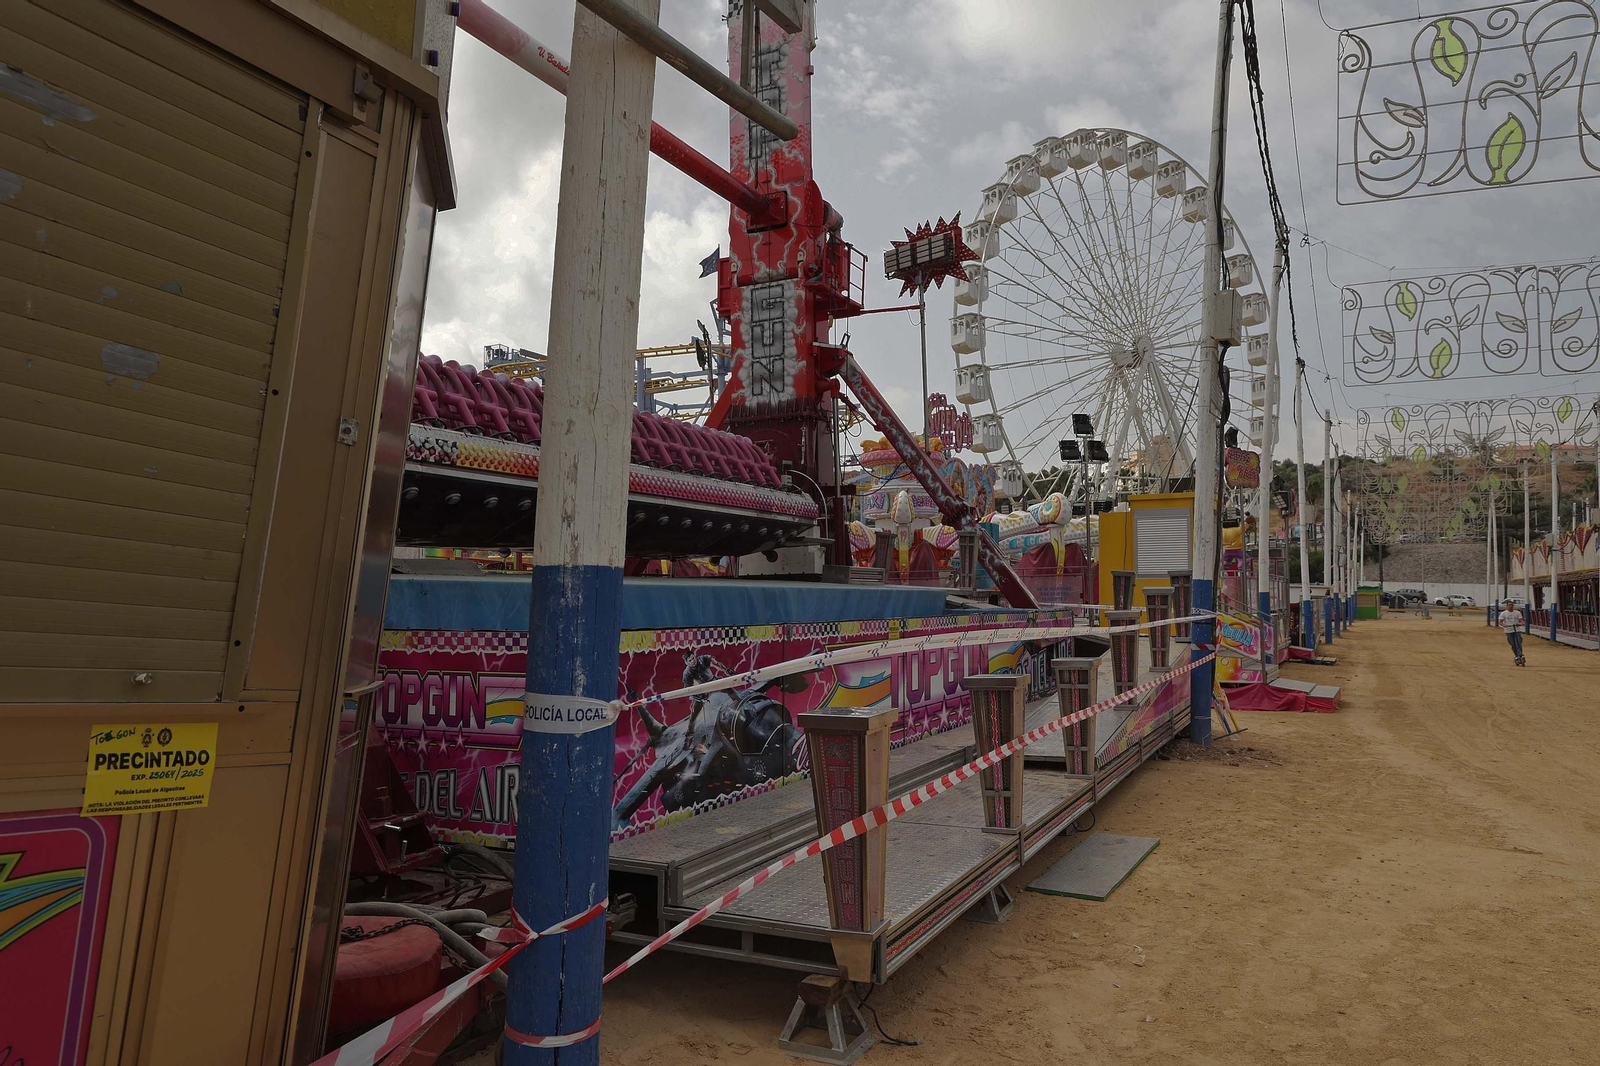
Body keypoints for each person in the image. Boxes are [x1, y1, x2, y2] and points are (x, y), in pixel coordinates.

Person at [1498, 600, 1526, 666]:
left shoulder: (1517, 612)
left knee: (1518, 642)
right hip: (1508, 630)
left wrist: (1522, 623)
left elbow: (1521, 620)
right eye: (1509, 605)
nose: (1510, 606)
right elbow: (1501, 621)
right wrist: (1503, 625)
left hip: (1516, 629)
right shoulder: (1503, 613)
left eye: (1512, 605)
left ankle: (1520, 654)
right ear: (1507, 606)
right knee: (1513, 643)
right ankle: (1516, 655)